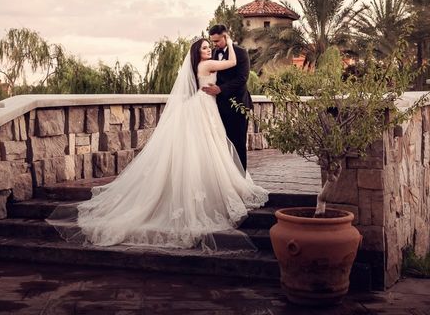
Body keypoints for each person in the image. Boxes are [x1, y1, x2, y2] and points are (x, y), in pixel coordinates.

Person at [47, 36, 268, 250]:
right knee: (208, 146)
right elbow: (231, 63)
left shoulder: (199, 66)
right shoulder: (207, 64)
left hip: (202, 106)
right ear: (196, 53)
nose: (208, 50)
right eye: (204, 48)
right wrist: (229, 42)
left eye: (209, 46)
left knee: (206, 147)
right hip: (204, 107)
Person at [202, 25, 252, 171]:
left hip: (239, 106)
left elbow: (242, 78)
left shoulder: (241, 53)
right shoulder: (213, 54)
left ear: (226, 37)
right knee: (221, 146)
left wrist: (220, 89)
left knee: (238, 144)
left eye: (217, 41)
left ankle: (241, 179)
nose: (215, 44)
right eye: (213, 41)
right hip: (219, 108)